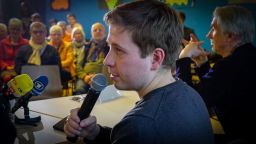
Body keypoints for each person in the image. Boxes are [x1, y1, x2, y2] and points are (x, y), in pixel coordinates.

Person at [64, 1, 214, 144]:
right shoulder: (191, 94)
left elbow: (135, 135)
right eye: (110, 47)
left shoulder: (140, 125)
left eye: (119, 50)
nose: (107, 61)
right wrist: (95, 133)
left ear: (155, 58)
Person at [176, 5, 256, 144]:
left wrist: (183, 59)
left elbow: (189, 102)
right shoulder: (246, 56)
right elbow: (212, 90)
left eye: (214, 29)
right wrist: (202, 65)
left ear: (230, 36)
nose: (208, 35)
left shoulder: (229, 66)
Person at [75, 22, 109, 94]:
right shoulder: (86, 47)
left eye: (100, 30)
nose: (98, 31)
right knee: (79, 89)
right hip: (86, 77)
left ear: (105, 33)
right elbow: (78, 66)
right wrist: (85, 77)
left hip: (103, 78)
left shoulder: (109, 47)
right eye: (95, 30)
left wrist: (97, 78)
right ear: (91, 33)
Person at [0, 18, 28, 84]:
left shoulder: (27, 43)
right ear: (9, 29)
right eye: (13, 29)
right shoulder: (2, 43)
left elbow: (28, 59)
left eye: (18, 29)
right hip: (6, 70)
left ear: (21, 30)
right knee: (8, 78)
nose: (15, 31)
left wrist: (18, 67)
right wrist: (6, 66)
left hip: (22, 69)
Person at [48, 25, 74, 90]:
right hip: (52, 70)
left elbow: (69, 61)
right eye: (54, 34)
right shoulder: (47, 46)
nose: (56, 36)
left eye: (59, 34)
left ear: (62, 35)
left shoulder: (68, 45)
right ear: (50, 36)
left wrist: (57, 66)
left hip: (66, 70)